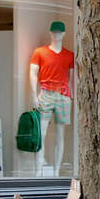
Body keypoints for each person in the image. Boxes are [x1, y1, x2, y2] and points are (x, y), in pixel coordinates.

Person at [30, 20, 76, 174]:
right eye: (54, 32)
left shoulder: (69, 55)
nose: (56, 34)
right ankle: (38, 170)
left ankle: (56, 171)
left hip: (63, 95)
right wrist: (34, 95)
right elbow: (33, 73)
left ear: (63, 33)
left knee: (60, 135)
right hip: (46, 94)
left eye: (59, 32)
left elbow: (72, 78)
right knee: (41, 132)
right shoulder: (40, 52)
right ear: (50, 33)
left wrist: (72, 95)